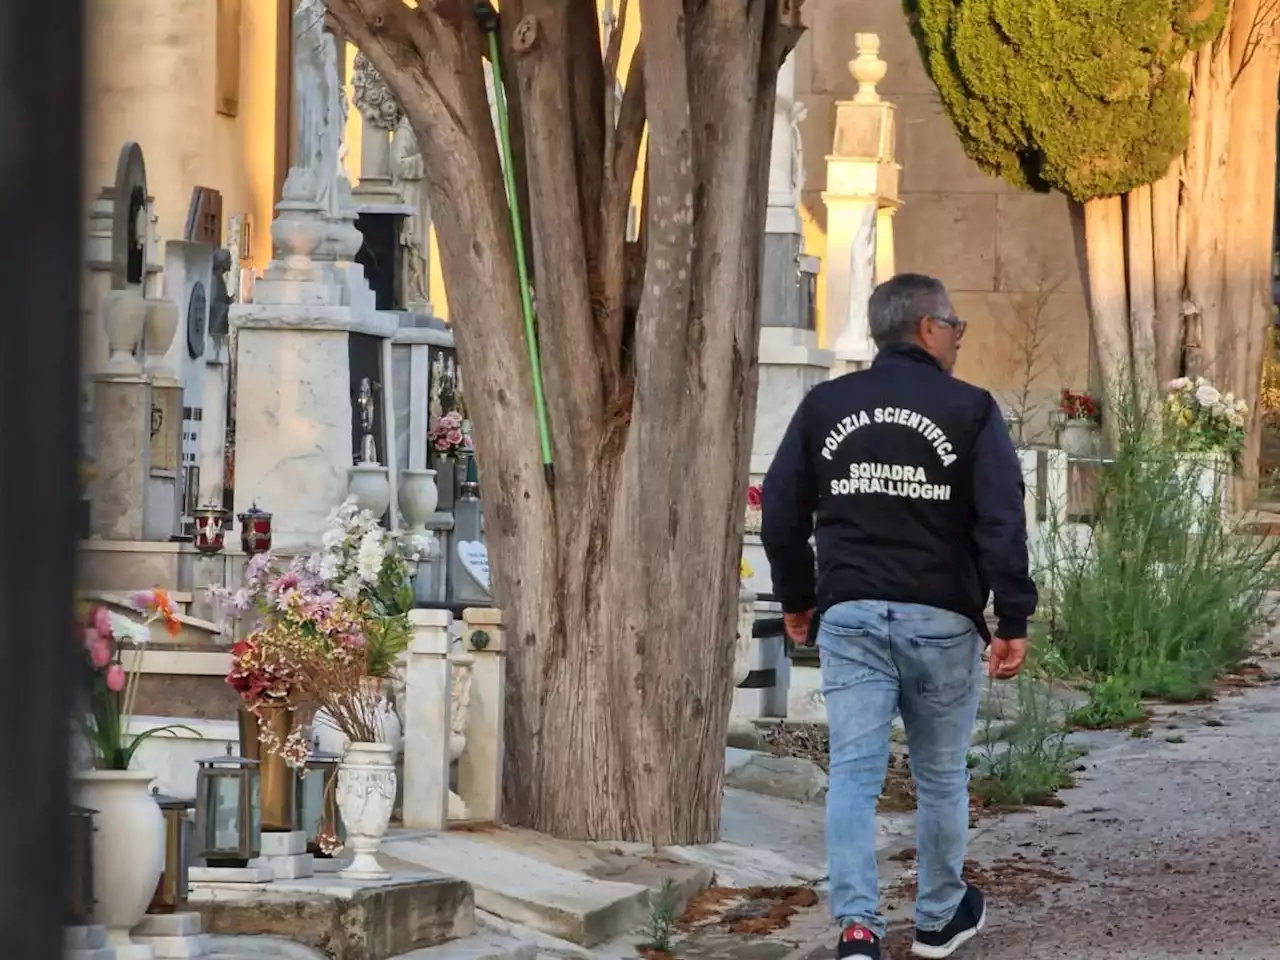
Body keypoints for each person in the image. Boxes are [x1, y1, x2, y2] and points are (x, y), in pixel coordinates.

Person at [761, 273, 1037, 959]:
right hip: (940, 616)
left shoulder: (827, 405)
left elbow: (780, 509)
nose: (960, 338)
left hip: (850, 611)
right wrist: (1013, 618)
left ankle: (858, 929)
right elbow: (1002, 519)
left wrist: (798, 597)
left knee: (855, 771)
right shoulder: (969, 409)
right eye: (956, 326)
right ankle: (940, 915)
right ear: (925, 328)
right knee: (940, 773)